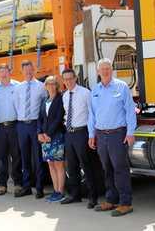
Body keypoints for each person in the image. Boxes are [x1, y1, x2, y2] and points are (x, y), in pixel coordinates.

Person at [88, 58, 137, 217]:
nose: (105, 71)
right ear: (98, 72)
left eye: (107, 68)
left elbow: (130, 111)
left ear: (112, 69)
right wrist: (91, 135)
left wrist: (130, 132)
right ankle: (111, 199)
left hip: (117, 134)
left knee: (120, 169)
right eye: (102, 69)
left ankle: (125, 203)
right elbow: (92, 115)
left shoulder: (121, 87)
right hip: (101, 135)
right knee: (107, 168)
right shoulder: (95, 90)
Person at [60, 68, 98, 209]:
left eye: (70, 78)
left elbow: (92, 114)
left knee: (86, 166)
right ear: (63, 81)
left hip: (82, 133)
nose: (68, 81)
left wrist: (91, 134)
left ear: (75, 78)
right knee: (72, 166)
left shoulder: (85, 93)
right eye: (65, 79)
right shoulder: (64, 95)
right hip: (69, 133)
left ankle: (92, 197)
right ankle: (74, 195)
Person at [13, 60, 47, 199]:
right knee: (24, 157)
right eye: (25, 71)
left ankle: (39, 188)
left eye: (30, 70)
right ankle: (26, 187)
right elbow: (16, 105)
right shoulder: (18, 88)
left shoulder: (41, 87)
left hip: (35, 125)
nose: (28, 73)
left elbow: (44, 107)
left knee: (38, 157)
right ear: (22, 71)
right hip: (22, 125)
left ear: (34, 70)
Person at [0, 63, 22, 197]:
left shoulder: (18, 86)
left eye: (6, 71)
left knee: (16, 155)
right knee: (1, 156)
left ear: (10, 72)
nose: (3, 74)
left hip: (15, 125)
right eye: (1, 72)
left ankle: (18, 183)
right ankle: (2, 184)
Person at [37, 76, 66, 203]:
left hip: (56, 136)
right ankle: (55, 190)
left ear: (57, 85)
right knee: (50, 163)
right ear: (45, 86)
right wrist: (40, 133)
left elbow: (59, 118)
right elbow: (40, 119)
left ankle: (61, 191)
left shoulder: (60, 99)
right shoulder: (44, 100)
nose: (51, 86)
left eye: (53, 83)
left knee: (59, 164)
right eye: (48, 84)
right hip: (45, 138)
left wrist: (48, 133)